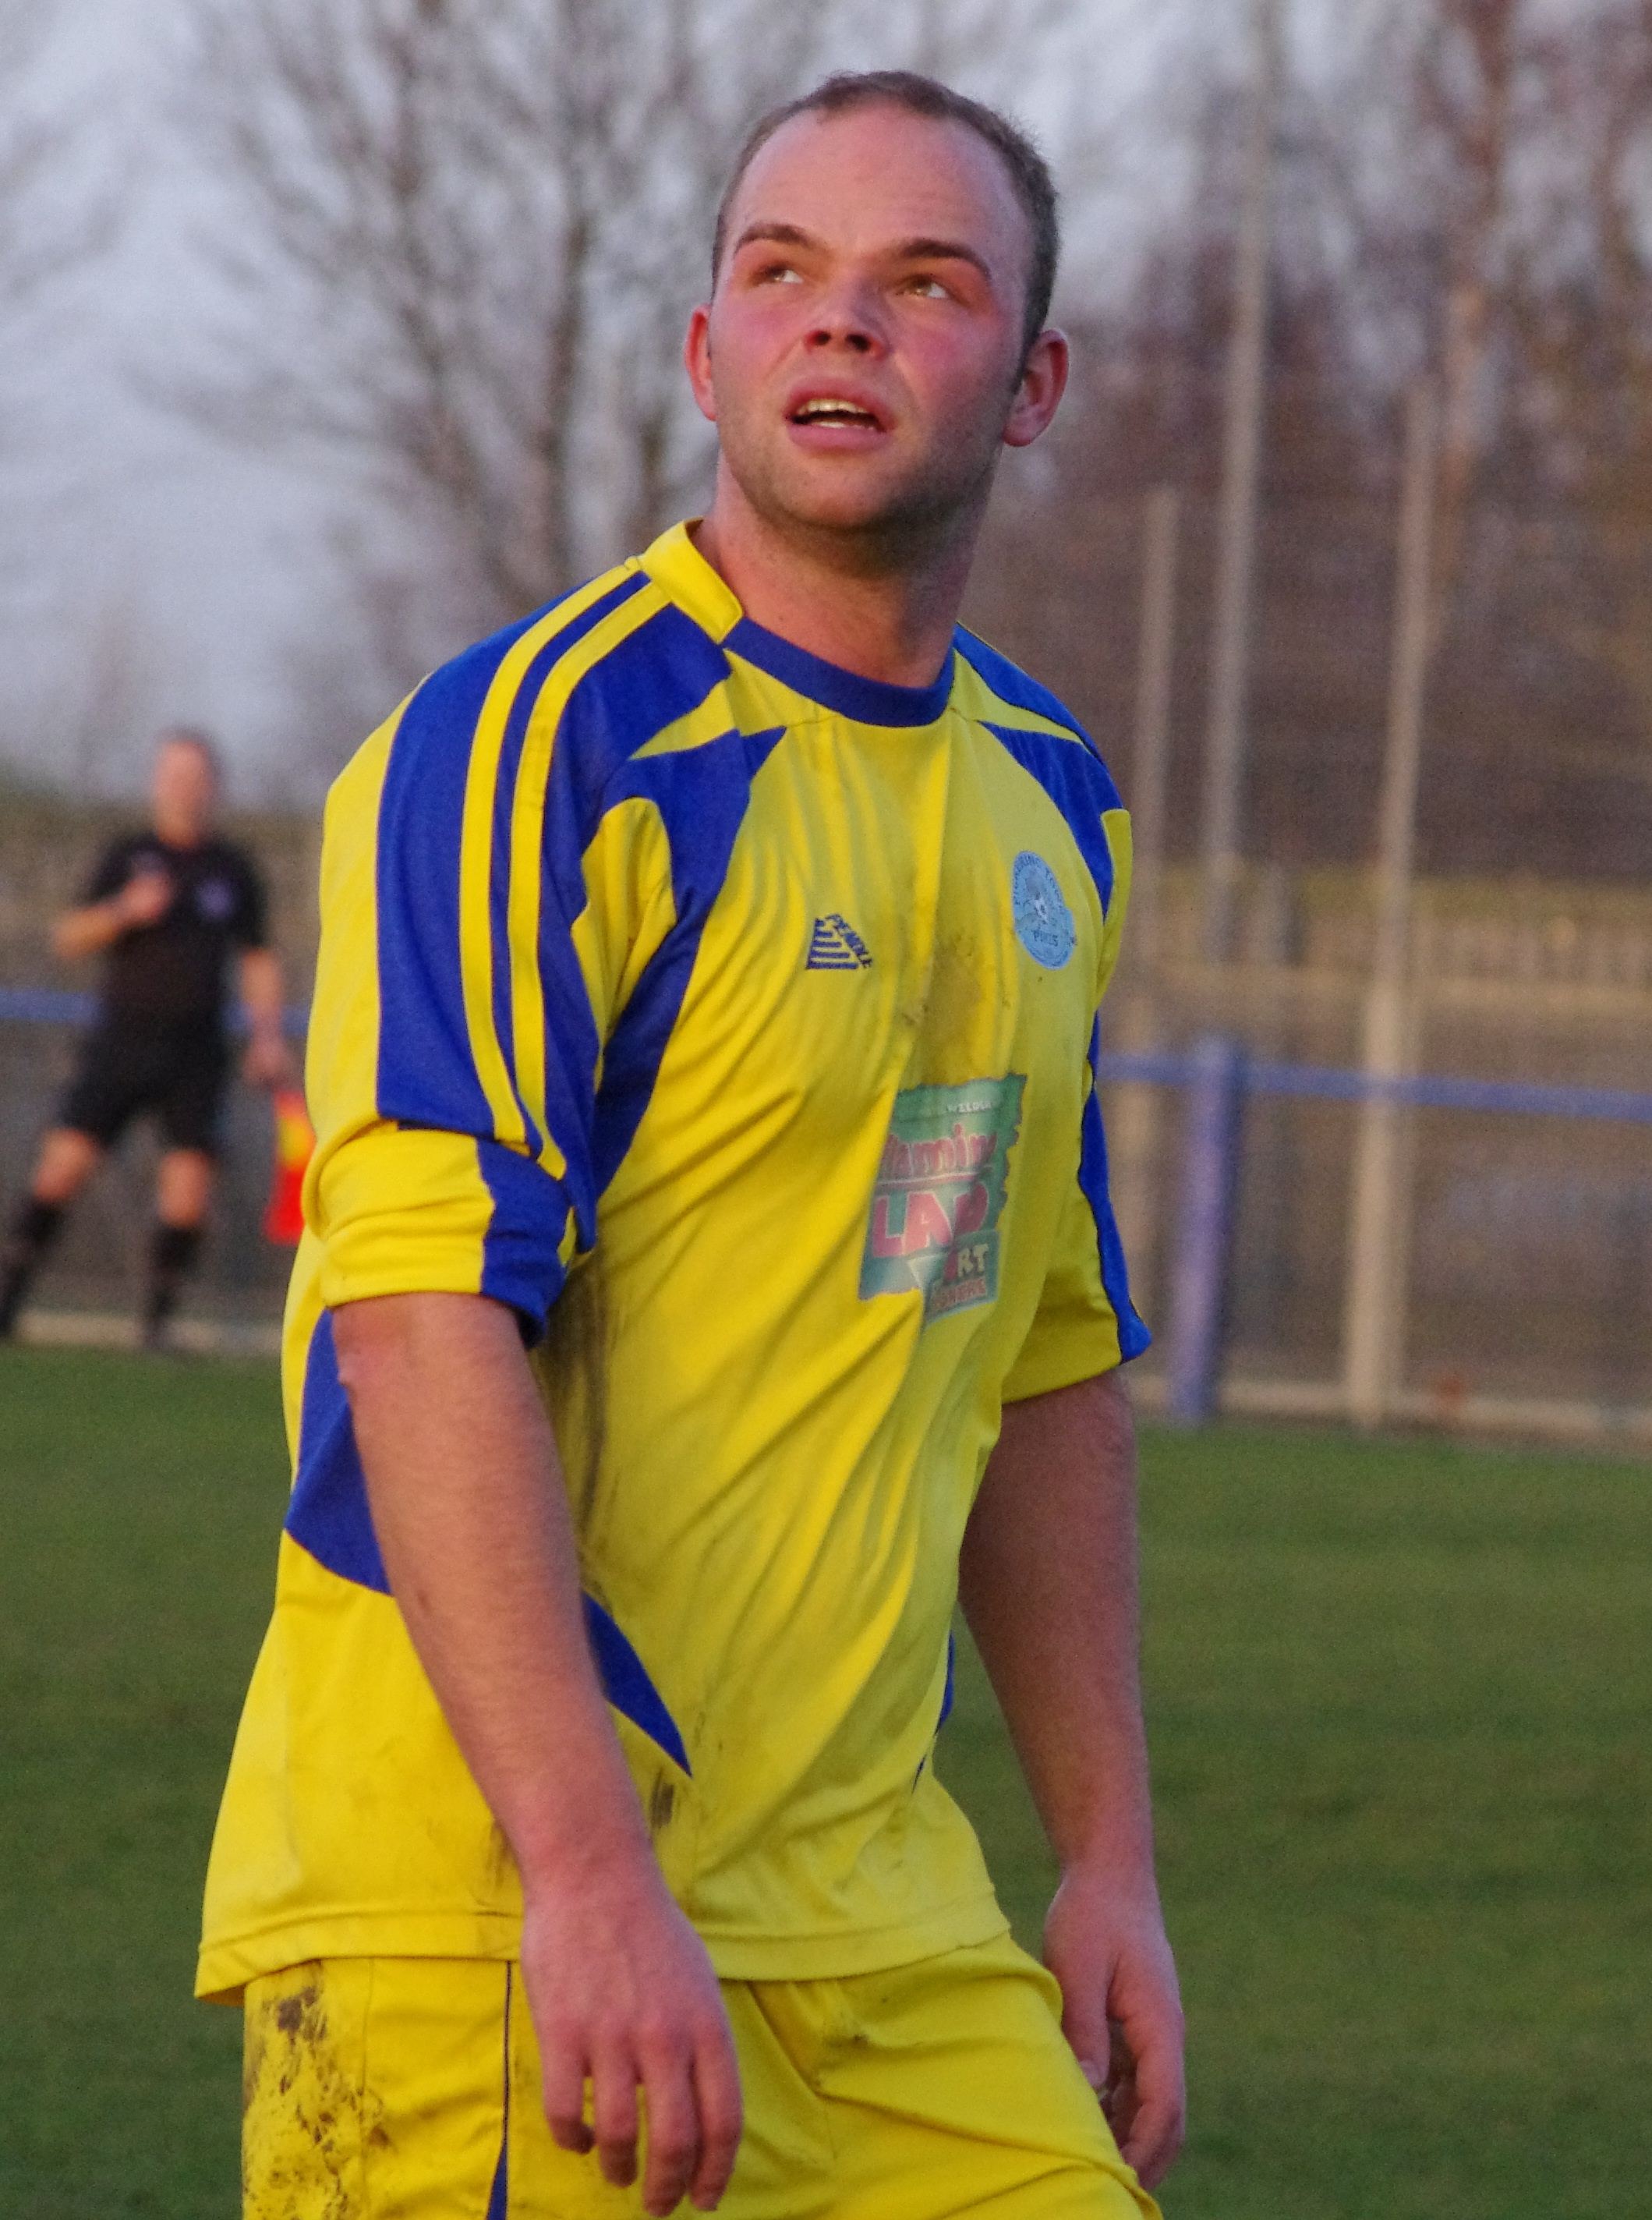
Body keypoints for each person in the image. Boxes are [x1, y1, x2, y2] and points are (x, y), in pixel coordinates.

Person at [202, 69, 1185, 2220]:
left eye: (918, 285)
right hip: (493, 1913)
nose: (839, 325)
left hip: (885, 1934)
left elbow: (1031, 1343)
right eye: (781, 274)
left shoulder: (1050, 800)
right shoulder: (535, 745)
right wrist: (582, 1870)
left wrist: (1102, 1847)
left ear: (1023, 384)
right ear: (703, 355)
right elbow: (417, 1315)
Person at [0, 728, 292, 1347]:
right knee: (60, 1169)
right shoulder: (126, 855)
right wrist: (123, 911)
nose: (185, 789)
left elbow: (258, 958)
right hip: (122, 1043)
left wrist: (268, 1037)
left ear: (213, 785)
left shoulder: (231, 870)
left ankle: (155, 1328)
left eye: (196, 777)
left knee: (187, 1190)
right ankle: (8, 1304)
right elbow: (68, 937)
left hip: (197, 1052)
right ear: (158, 783)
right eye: (174, 776)